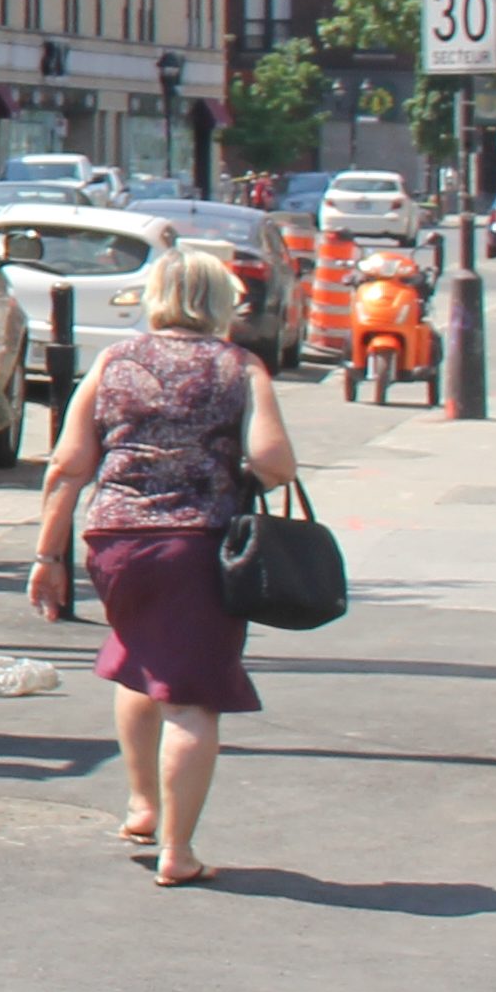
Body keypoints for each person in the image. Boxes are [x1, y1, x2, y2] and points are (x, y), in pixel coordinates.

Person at [32, 243, 297, 887]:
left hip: (113, 541)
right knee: (193, 699)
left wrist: (47, 557)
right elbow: (274, 463)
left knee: (136, 660)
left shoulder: (113, 361)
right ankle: (177, 851)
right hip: (196, 545)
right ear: (218, 303)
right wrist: (226, 467)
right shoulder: (240, 367)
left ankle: (143, 805)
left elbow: (67, 468)